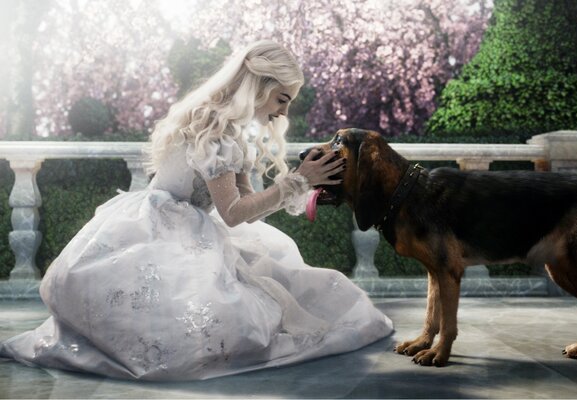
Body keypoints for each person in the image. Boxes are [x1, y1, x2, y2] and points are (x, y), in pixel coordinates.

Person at [0, 40, 393, 381]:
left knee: (281, 293)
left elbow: (247, 210)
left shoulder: (232, 133)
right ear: (260, 85)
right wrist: (295, 181)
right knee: (214, 325)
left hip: (192, 226)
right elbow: (235, 212)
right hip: (158, 225)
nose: (281, 113)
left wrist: (302, 182)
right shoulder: (214, 129)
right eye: (281, 100)